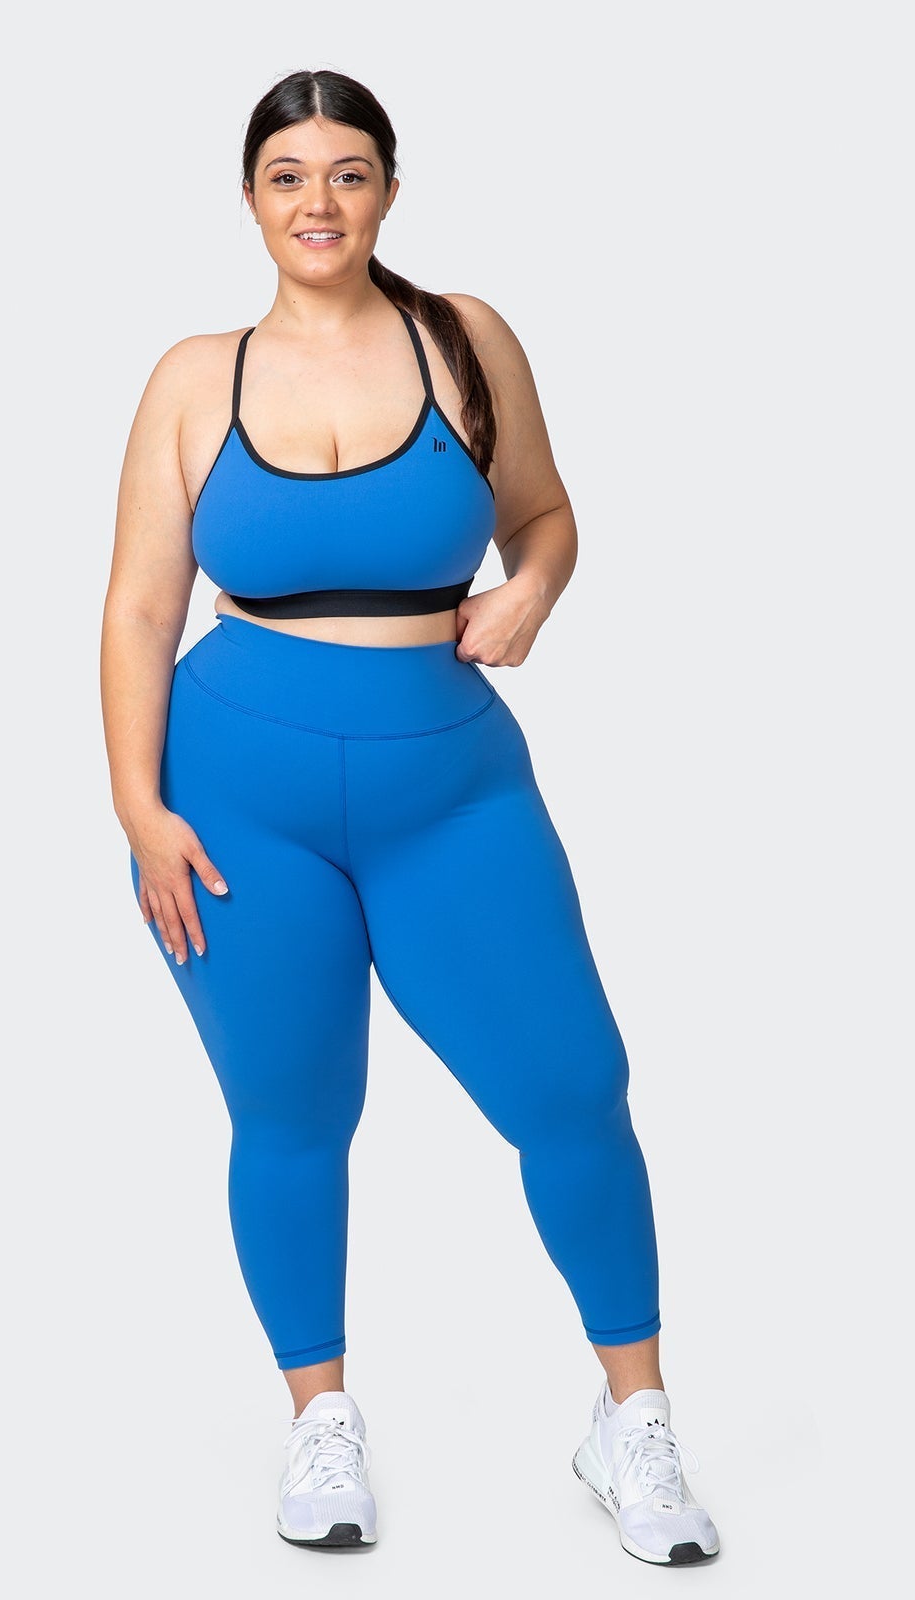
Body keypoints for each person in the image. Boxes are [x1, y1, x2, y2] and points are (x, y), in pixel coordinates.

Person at [100, 68, 721, 1567]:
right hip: (234, 801)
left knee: (572, 1086)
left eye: (349, 173)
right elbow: (137, 608)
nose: (318, 202)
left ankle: (632, 1418)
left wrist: (532, 592)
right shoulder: (192, 378)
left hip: (450, 790)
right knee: (294, 1111)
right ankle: (321, 1422)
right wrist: (140, 810)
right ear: (250, 199)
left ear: (388, 189)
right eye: (288, 176)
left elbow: (546, 514)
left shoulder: (465, 340)